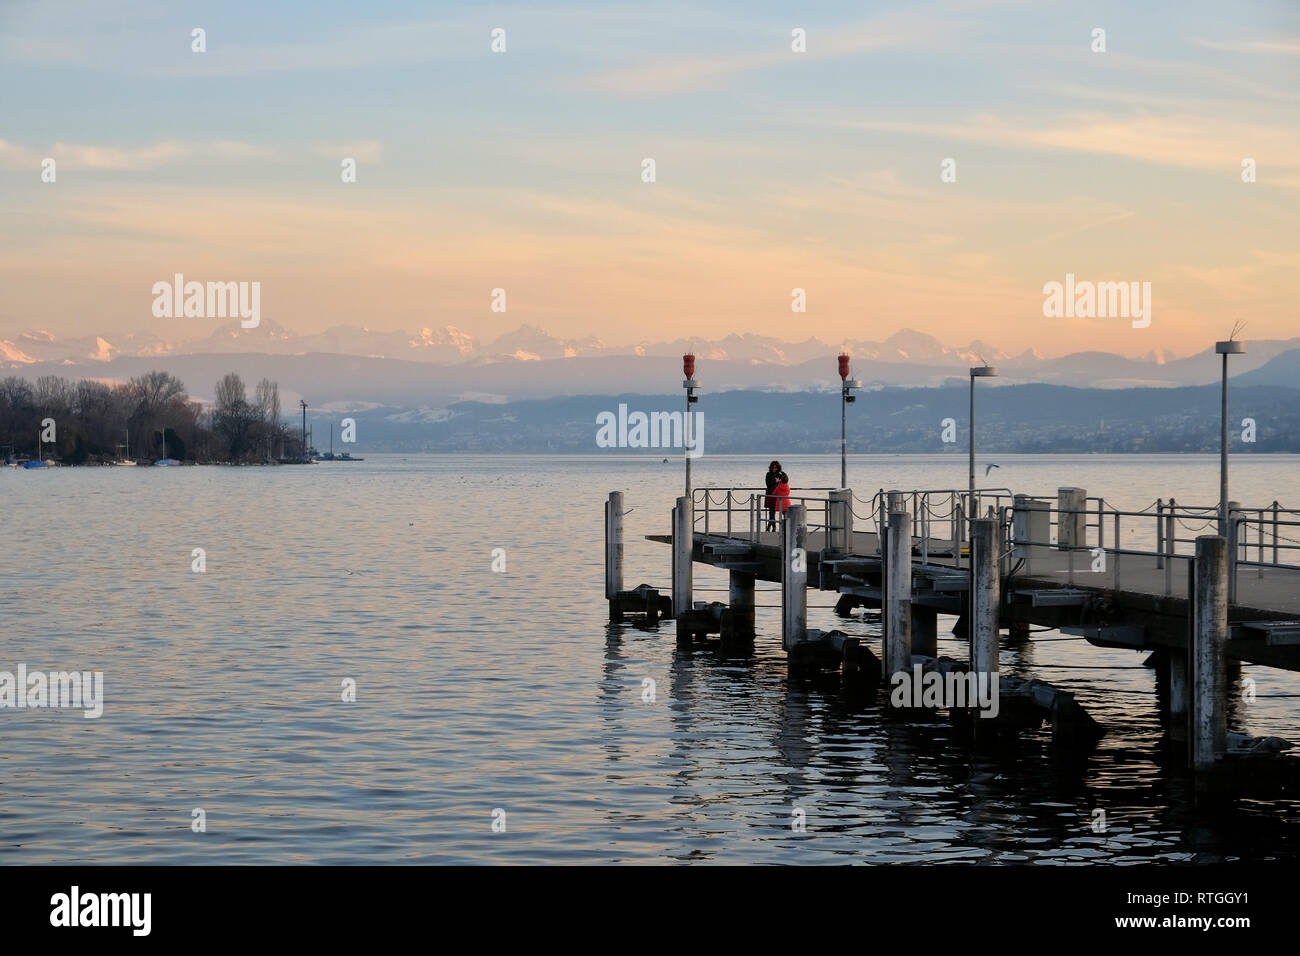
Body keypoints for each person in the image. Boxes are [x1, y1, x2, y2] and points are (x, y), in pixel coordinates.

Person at [764, 460, 789, 532]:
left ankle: (781, 527)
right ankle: (773, 527)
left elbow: (786, 480)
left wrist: (782, 474)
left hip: (779, 495)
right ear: (771, 468)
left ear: (778, 468)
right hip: (771, 494)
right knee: (771, 512)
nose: (774, 469)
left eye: (776, 467)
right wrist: (775, 482)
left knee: (784, 512)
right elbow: (768, 484)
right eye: (773, 467)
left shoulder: (781, 474)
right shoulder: (768, 474)